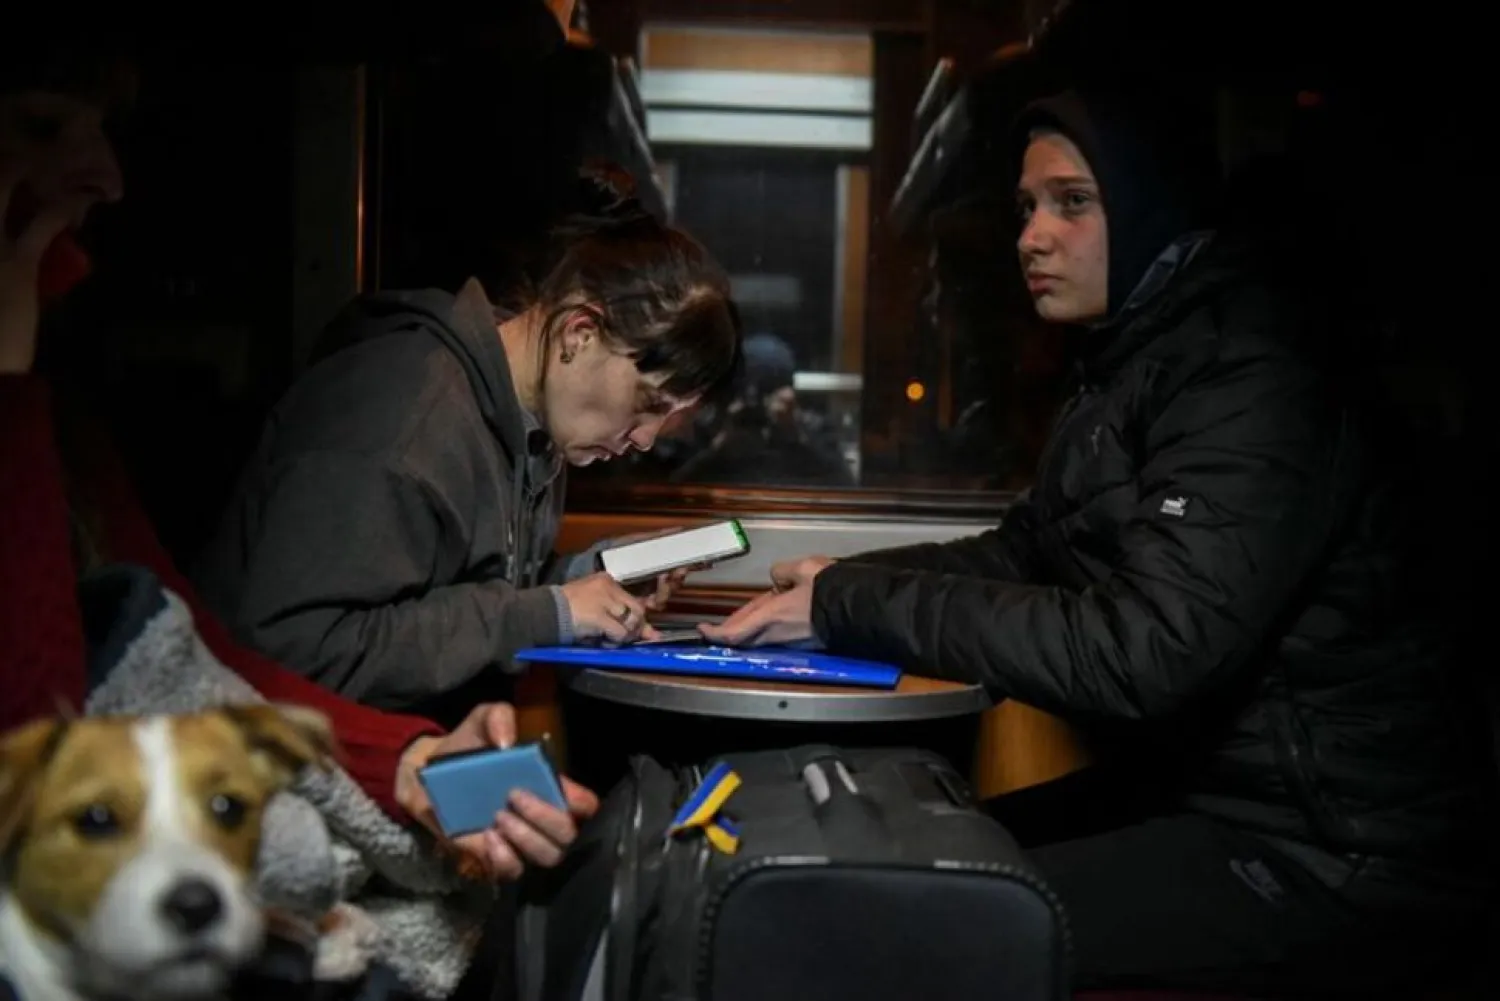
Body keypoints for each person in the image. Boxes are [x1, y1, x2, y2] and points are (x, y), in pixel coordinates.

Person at [701, 84, 1497, 996]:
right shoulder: (1133, 363)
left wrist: (854, 602)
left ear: (1152, 206)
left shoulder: (1255, 371)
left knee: (905, 926)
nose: (1031, 236)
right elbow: (1024, 552)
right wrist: (837, 580)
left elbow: (1144, 651)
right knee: (884, 869)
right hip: (1216, 799)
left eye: (1073, 203)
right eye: (1027, 207)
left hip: (1337, 850)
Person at [1, 43, 594, 885]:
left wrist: (409, 762)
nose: (107, 177)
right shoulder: (403, 417)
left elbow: (190, 657)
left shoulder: (59, 416)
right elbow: (27, 756)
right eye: (41, 126)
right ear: (578, 335)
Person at [193, 169, 742, 716]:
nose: (645, 440)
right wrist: (546, 615)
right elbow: (298, 649)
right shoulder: (402, 425)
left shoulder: (528, 422)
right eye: (648, 404)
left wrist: (586, 579)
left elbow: (465, 583)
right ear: (580, 334)